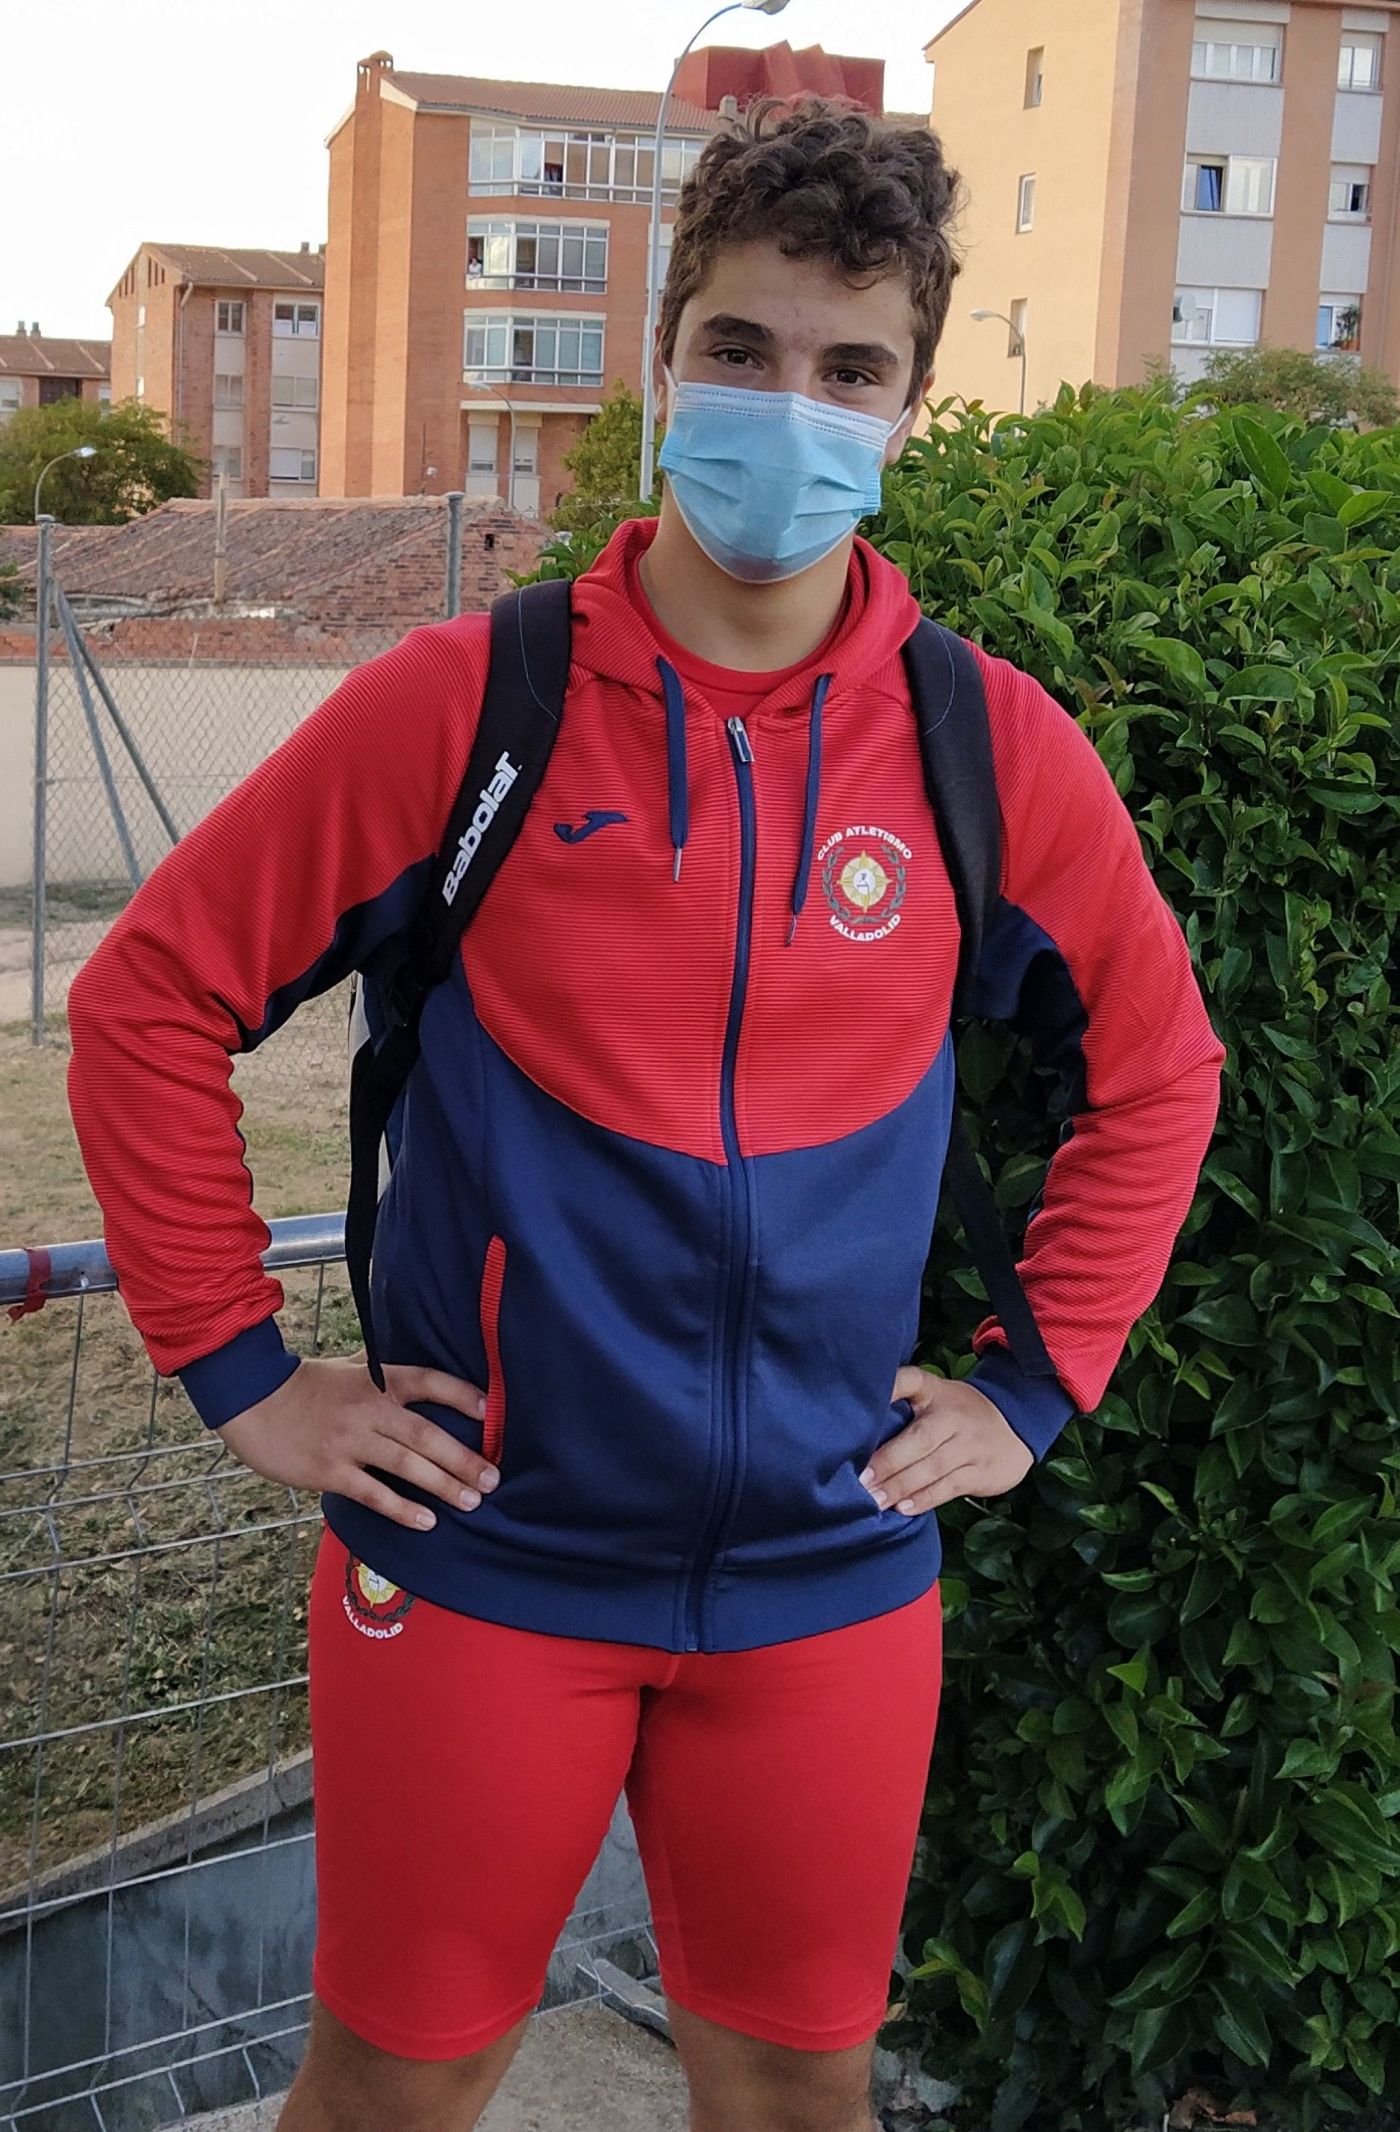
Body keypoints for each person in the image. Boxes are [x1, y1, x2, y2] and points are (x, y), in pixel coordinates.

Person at [66, 96, 1226, 2132]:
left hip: (827, 1580)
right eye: (743, 350)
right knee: (395, 2093)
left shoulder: (984, 747)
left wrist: (1036, 1384)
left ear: (910, 405)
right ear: (662, 357)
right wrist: (243, 1371)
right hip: (483, 1562)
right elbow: (148, 998)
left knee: (795, 2096)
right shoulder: (472, 707)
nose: (792, 408)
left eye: (849, 370)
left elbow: (1157, 1070)